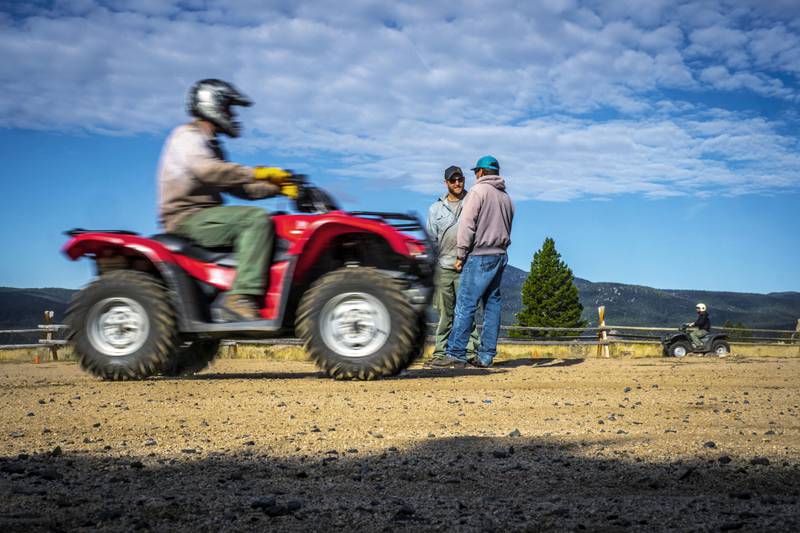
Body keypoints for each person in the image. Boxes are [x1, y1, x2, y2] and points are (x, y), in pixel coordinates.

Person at [157, 79, 298, 321]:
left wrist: (278, 188)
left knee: (274, 222)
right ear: (211, 104)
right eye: (228, 108)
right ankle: (240, 297)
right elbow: (208, 170)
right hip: (187, 217)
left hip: (205, 216)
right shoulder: (187, 136)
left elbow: (241, 188)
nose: (232, 114)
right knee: (254, 219)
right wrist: (257, 172)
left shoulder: (212, 146)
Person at [434, 155, 514, 368]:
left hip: (479, 255)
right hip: (501, 255)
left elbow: (467, 226)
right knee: (492, 305)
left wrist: (461, 255)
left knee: (465, 304)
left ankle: (456, 353)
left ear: (480, 172)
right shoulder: (505, 197)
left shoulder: (478, 192)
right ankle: (486, 355)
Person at [425, 166, 480, 365]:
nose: (457, 183)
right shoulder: (435, 209)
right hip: (443, 266)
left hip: (468, 265)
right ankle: (440, 352)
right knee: (444, 313)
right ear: (446, 183)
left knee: (467, 311)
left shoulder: (473, 202)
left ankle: (471, 352)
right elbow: (431, 239)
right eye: (453, 180)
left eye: (460, 179)